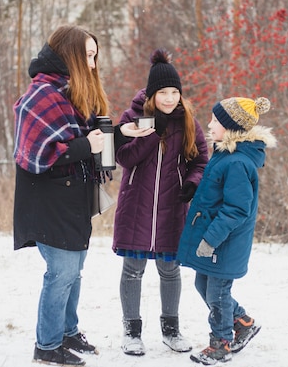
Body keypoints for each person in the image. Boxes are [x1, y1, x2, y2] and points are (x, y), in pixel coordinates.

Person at [12, 25, 146, 366]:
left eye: (94, 55)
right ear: (70, 54)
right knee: (61, 273)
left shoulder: (69, 91)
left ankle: (68, 333)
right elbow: (36, 154)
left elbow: (86, 140)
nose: (92, 62)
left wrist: (119, 132)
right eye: (87, 55)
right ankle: (47, 345)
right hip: (49, 203)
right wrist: (88, 145)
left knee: (73, 271)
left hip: (73, 200)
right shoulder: (40, 95)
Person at [112, 49, 209, 356]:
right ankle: (131, 331)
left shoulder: (188, 122)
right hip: (136, 206)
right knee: (133, 269)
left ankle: (170, 329)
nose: (170, 99)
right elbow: (125, 157)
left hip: (171, 208)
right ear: (152, 94)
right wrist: (153, 133)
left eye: (175, 92)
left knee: (170, 269)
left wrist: (192, 185)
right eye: (164, 93)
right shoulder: (133, 119)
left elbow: (200, 161)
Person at [176, 96, 278, 365]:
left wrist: (211, 239)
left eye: (215, 121)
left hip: (224, 243)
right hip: (216, 240)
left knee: (216, 293)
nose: (209, 125)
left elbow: (236, 209)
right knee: (204, 285)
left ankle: (220, 344)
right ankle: (242, 321)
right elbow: (218, 196)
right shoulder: (226, 155)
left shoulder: (237, 163)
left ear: (231, 127)